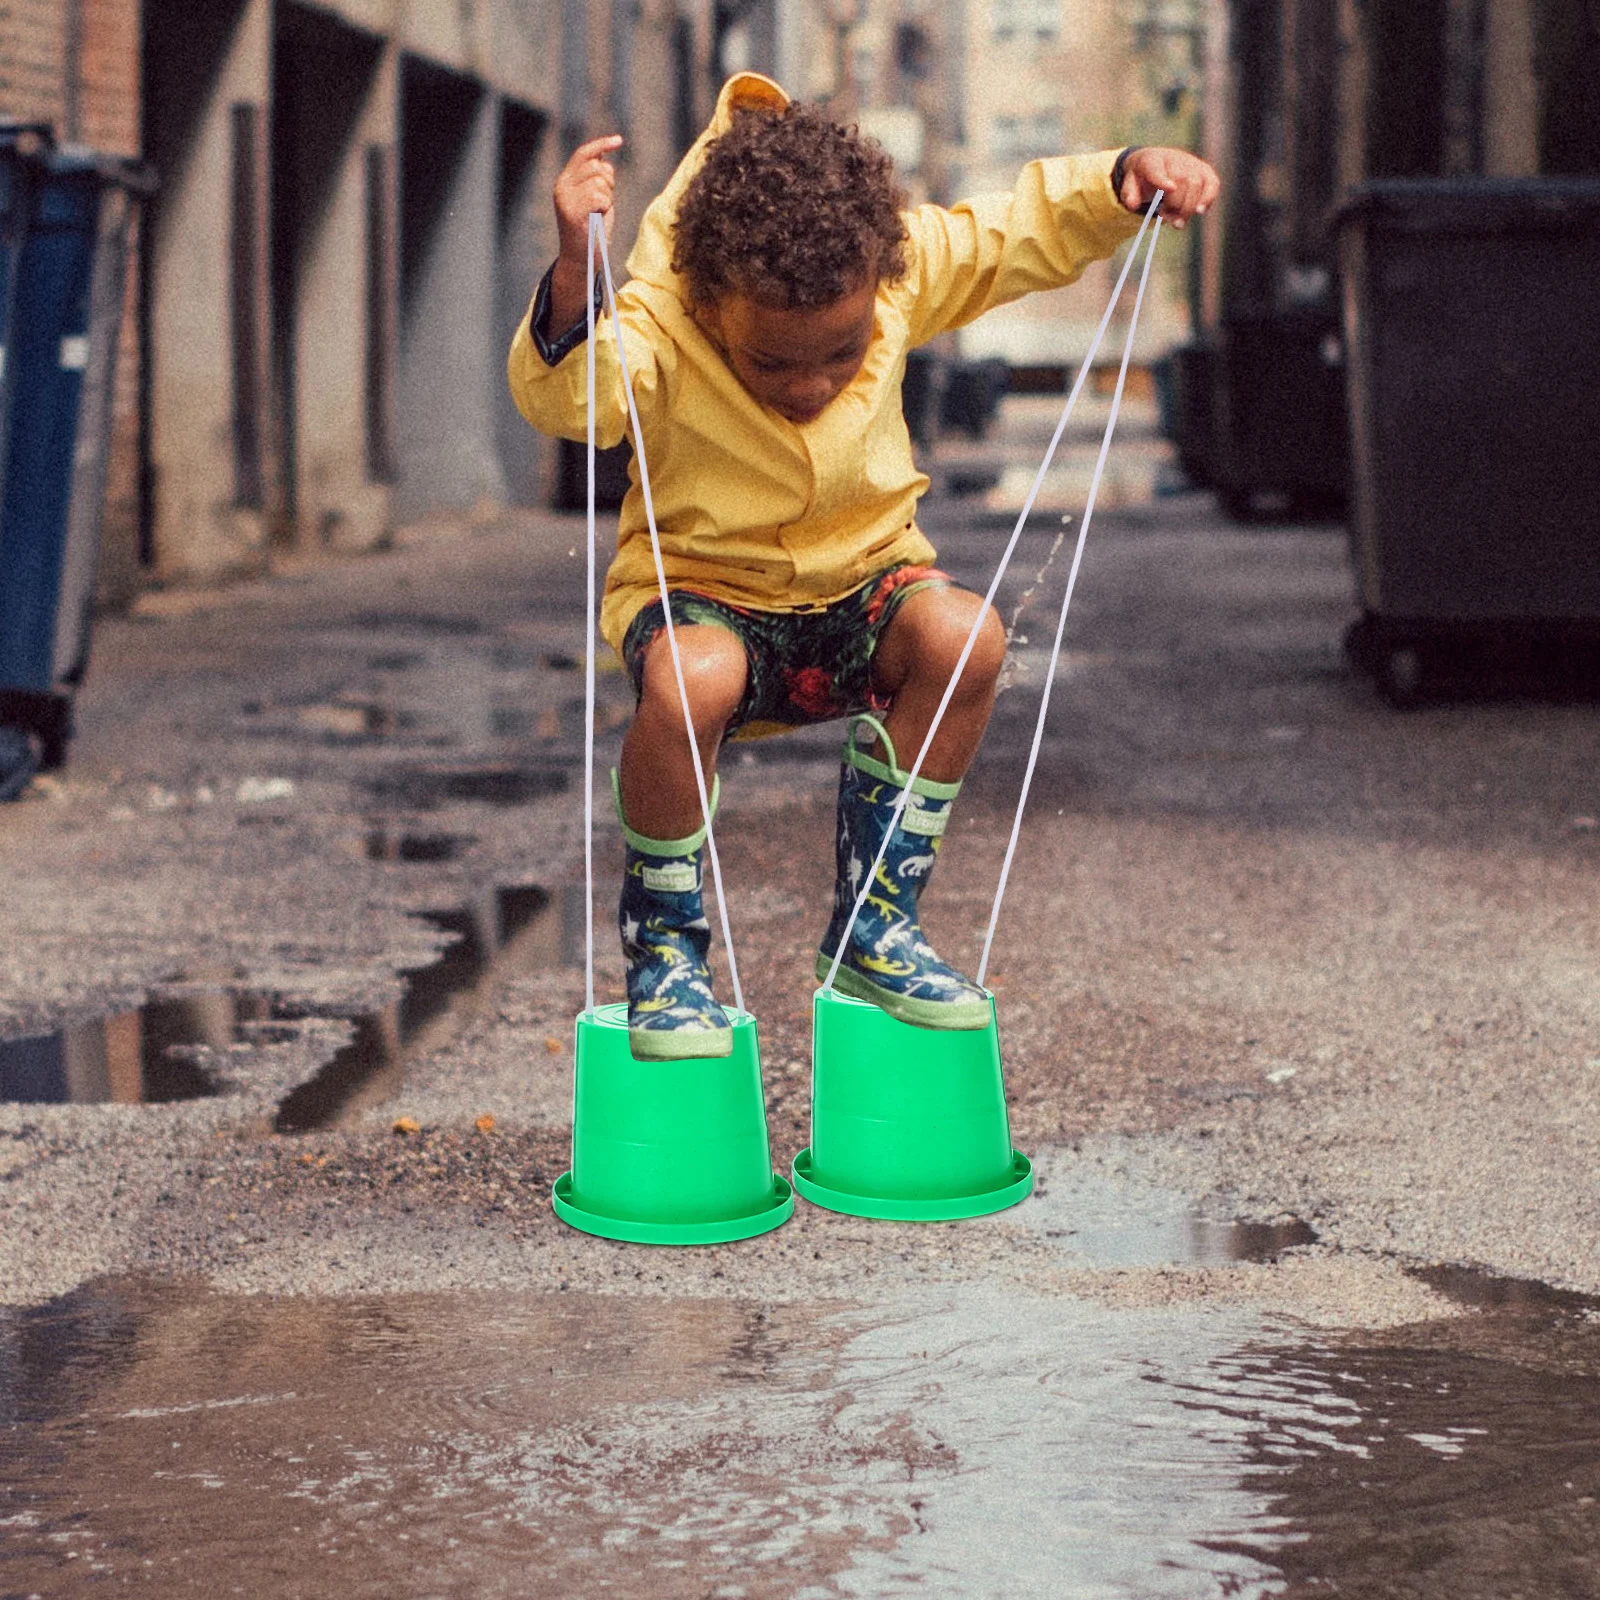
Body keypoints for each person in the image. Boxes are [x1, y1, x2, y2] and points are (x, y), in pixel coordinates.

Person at [509, 73, 1219, 1060]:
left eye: (839, 354)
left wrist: (1120, 178)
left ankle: (874, 923)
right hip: (711, 602)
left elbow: (1006, 233)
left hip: (862, 590)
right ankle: (665, 951)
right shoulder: (662, 325)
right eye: (772, 365)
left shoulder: (893, 273)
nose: (810, 384)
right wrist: (577, 274)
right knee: (689, 681)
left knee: (965, 635)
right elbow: (569, 402)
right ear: (711, 305)